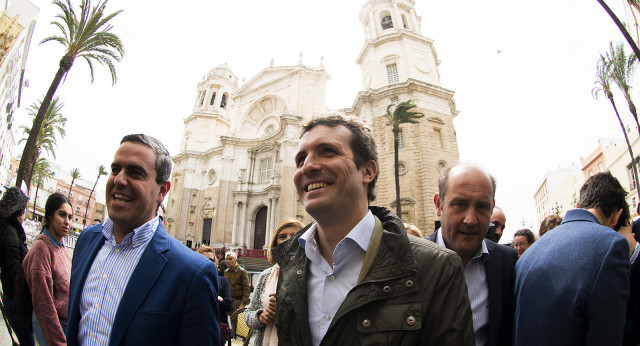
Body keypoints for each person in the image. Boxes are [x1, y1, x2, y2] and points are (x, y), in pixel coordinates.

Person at [273, 115, 474, 345]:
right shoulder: (289, 265)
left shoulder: (437, 268)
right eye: (301, 159)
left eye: (327, 151)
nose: (307, 166)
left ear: (368, 171)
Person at [66, 134, 220, 345]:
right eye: (115, 169)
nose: (119, 180)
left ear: (162, 191)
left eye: (135, 173)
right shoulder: (86, 241)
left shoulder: (192, 273)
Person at [514, 171, 631, 345]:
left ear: (578, 204)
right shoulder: (612, 245)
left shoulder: (528, 255)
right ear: (616, 215)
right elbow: (607, 334)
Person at [428, 163, 518, 346]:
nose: (470, 219)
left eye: (482, 207)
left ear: (492, 208)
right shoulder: (408, 260)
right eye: (460, 204)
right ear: (439, 205)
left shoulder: (507, 263)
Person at [22, 193, 73, 346]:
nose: (67, 222)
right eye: (62, 215)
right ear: (50, 215)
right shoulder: (41, 249)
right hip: (50, 328)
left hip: (64, 325)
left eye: (70, 217)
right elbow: (43, 303)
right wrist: (58, 341)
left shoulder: (62, 249)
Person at [245, 219, 304, 345]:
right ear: (275, 243)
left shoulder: (312, 276)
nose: (288, 240)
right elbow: (248, 314)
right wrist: (261, 317)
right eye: (282, 236)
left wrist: (285, 308)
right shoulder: (266, 275)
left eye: (294, 236)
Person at [0, 187, 34, 346]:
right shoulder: (11, 236)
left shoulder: (8, 230)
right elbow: (14, 274)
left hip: (12, 299)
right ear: (19, 212)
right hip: (15, 302)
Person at [197, 245, 232, 317]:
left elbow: (228, 305)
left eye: (211, 260)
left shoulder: (223, 281)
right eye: (203, 259)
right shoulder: (192, 281)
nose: (207, 262)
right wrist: (217, 299)